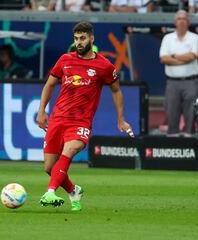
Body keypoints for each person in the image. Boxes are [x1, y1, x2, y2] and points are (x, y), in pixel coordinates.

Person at [36, 21, 134, 211]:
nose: (79, 42)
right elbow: (49, 85)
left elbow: (116, 90)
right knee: (49, 168)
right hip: (58, 119)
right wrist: (41, 111)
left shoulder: (104, 66)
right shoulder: (65, 60)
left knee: (70, 150)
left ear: (91, 38)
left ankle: (50, 192)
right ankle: (74, 190)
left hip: (80, 122)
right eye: (76, 38)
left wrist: (120, 119)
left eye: (82, 38)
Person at [159, 10, 198, 136]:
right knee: (171, 113)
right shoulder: (168, 38)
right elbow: (163, 58)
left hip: (191, 81)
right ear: (175, 22)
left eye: (184, 19)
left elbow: (192, 56)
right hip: (172, 82)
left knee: (191, 114)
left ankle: (190, 138)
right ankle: (173, 139)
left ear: (188, 22)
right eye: (179, 19)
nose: (181, 21)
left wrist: (173, 57)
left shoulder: (194, 37)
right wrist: (183, 59)